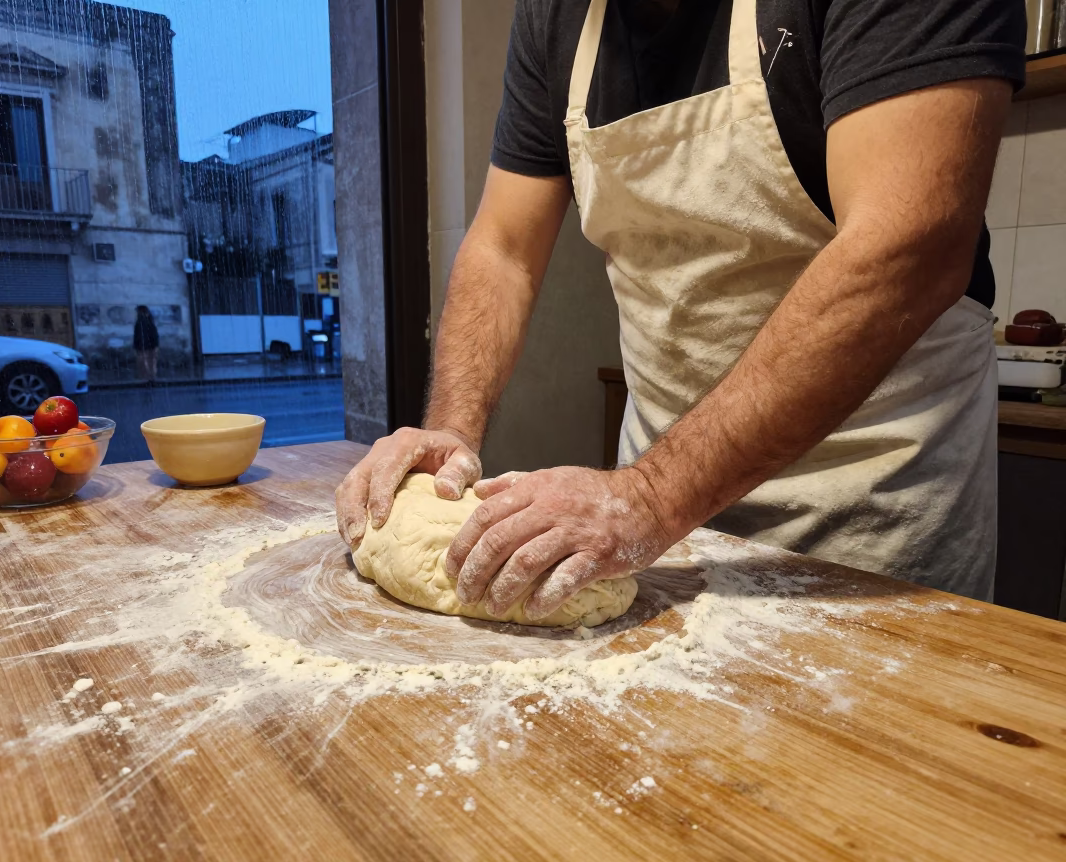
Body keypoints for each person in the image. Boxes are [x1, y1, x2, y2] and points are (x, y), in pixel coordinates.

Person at [336, 0, 1026, 618]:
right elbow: (503, 249)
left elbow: (909, 245)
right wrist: (451, 436)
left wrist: (649, 498)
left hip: (868, 516)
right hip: (659, 542)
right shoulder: (554, 18)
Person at [133, 305, 159, 384]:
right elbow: (154, 334)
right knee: (150, 362)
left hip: (143, 346)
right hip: (149, 345)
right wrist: (156, 345)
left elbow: (138, 336)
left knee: (144, 363)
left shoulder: (140, 322)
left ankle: (146, 379)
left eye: (138, 311)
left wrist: (137, 345)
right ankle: (151, 378)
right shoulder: (150, 320)